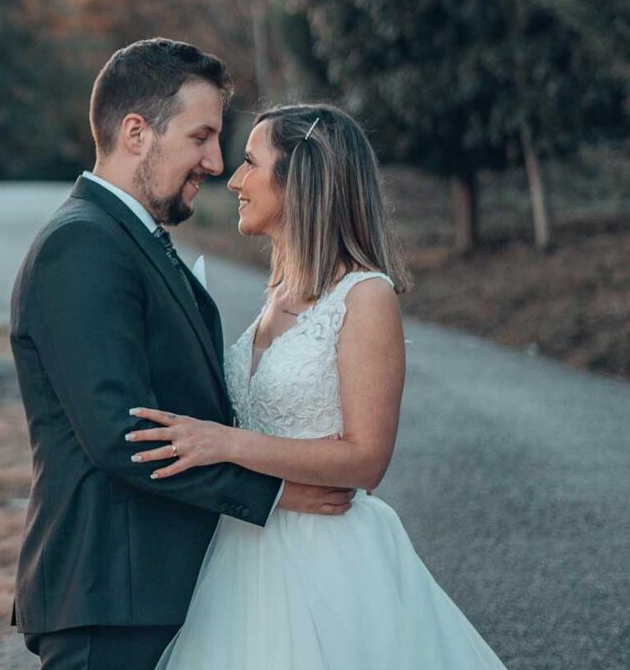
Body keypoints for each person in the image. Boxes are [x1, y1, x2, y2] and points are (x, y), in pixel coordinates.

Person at [125, 103, 510, 669]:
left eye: (251, 163)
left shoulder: (365, 296)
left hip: (327, 558)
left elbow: (366, 459)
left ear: (301, 177)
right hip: (243, 548)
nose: (233, 178)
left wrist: (223, 442)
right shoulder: (277, 292)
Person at [9, 41, 354, 670]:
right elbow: (124, 436)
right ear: (136, 133)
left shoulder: (128, 237)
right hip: (111, 595)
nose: (215, 162)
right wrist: (274, 493)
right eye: (201, 137)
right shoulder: (81, 246)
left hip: (155, 591)